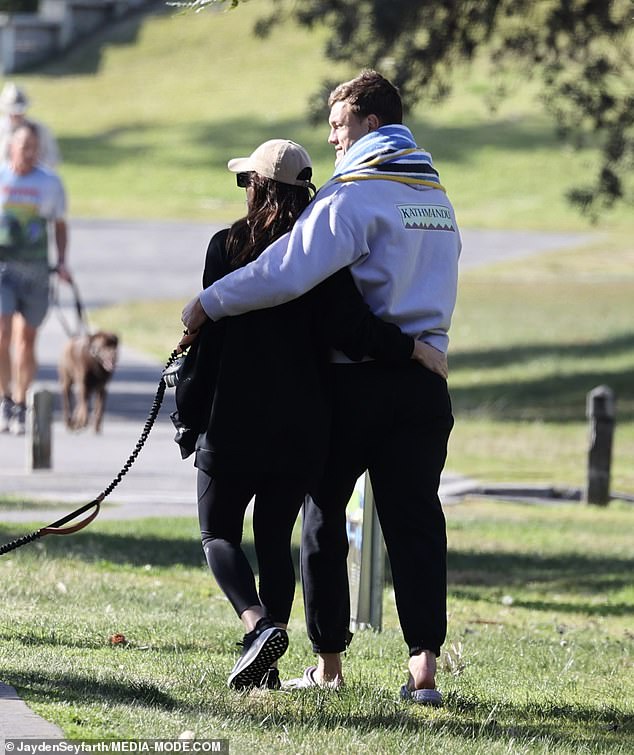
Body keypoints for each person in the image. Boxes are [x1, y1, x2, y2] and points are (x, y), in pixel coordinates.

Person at [182, 70, 460, 704]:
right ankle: (424, 671)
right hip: (424, 384)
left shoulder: (353, 196)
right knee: (417, 521)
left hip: (355, 381)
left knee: (323, 517)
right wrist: (425, 348)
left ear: (369, 123)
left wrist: (209, 303)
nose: (333, 139)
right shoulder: (435, 197)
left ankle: (330, 665)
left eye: (338, 125)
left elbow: (284, 273)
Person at [0, 122, 71, 435]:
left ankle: (20, 400)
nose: (28, 152)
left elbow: (58, 224)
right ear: (11, 146)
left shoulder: (50, 183)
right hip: (3, 268)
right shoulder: (1, 177)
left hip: (36, 269)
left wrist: (63, 262)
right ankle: (4, 397)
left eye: (33, 147)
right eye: (23, 146)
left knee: (26, 338)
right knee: (2, 331)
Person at [0, 82, 61, 169]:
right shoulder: (2, 128)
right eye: (13, 112)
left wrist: (31, 169)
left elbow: (52, 157)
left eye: (19, 112)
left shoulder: (39, 129)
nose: (16, 115)